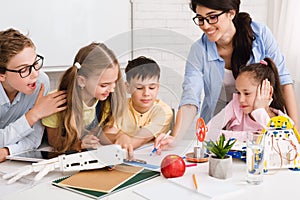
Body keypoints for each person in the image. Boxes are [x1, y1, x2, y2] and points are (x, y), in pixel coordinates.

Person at [155, 0, 299, 153]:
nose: (205, 25)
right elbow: (190, 99)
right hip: (219, 126)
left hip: (258, 120)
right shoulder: (199, 50)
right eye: (200, 19)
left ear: (231, 13)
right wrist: (176, 138)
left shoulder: (260, 35)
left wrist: (296, 133)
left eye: (212, 17)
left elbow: (283, 81)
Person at [42, 42, 127, 153]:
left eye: (114, 82)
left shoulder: (104, 101)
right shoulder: (56, 103)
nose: (112, 90)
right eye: (104, 85)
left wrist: (120, 136)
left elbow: (101, 132)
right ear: (82, 81)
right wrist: (79, 144)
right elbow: (53, 141)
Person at [0, 28, 67, 162]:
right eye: (24, 69)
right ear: (2, 75)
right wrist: (33, 115)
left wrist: (7, 151)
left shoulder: (41, 82)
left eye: (35, 63)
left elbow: (34, 140)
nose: (35, 74)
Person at [206, 58, 294, 141]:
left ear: (268, 92)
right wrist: (251, 136)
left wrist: (259, 110)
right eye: (239, 92)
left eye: (247, 93)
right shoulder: (236, 105)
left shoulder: (282, 121)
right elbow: (207, 131)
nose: (241, 99)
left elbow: (276, 142)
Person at [103, 56, 173, 155]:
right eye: (139, 88)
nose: (146, 93)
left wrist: (120, 138)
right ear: (128, 88)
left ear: (158, 87)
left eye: (152, 87)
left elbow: (139, 140)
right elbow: (105, 135)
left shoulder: (164, 111)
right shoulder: (121, 107)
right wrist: (118, 136)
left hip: (152, 158)